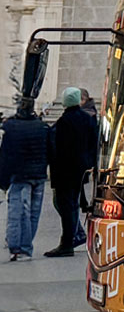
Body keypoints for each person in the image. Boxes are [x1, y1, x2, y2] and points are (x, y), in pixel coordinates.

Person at [43, 88, 95, 257]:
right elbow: (94, 144)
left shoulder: (63, 122)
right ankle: (73, 237)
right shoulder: (88, 119)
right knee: (73, 204)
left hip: (65, 171)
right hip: (81, 170)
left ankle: (67, 242)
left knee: (66, 206)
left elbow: (57, 150)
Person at [0, 98, 49, 260]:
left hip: (20, 175)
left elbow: (5, 156)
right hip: (39, 175)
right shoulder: (42, 127)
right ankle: (26, 246)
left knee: (18, 212)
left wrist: (3, 181)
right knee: (33, 213)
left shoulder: (11, 127)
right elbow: (50, 151)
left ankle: (18, 247)